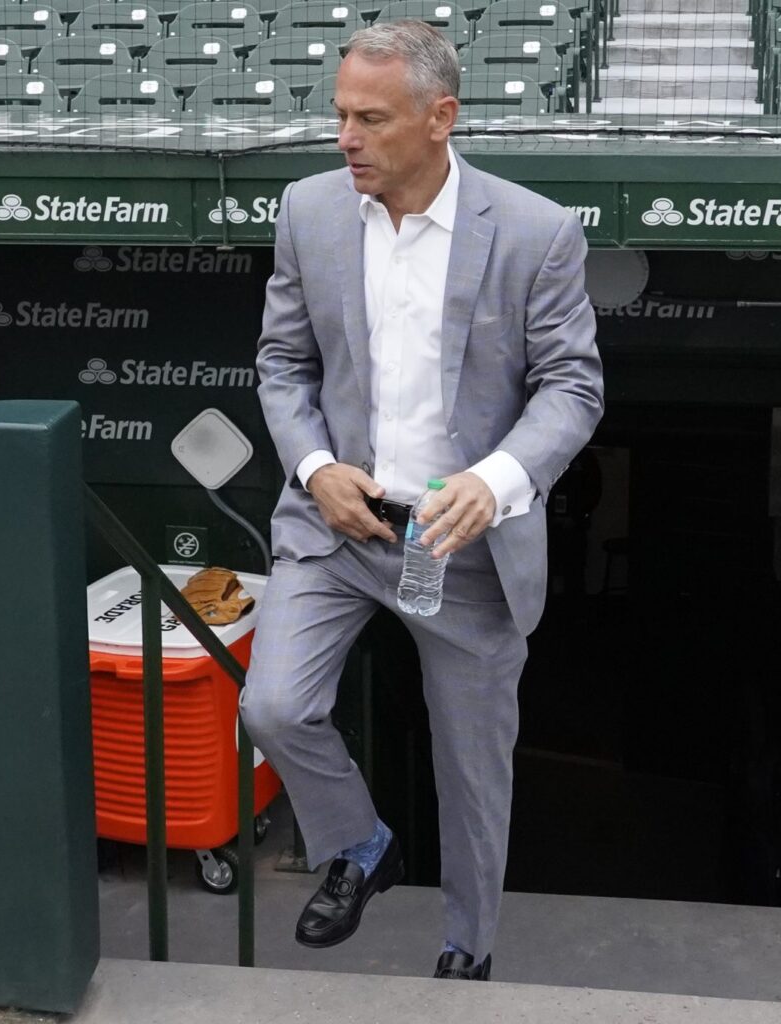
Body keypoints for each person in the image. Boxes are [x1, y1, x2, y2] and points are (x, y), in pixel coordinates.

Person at [243, 18, 605, 982]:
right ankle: (359, 844)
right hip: (339, 525)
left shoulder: (536, 232)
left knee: (472, 774)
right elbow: (283, 364)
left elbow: (572, 387)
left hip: (465, 549)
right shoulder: (308, 211)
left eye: (370, 119)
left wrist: (496, 482)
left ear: (440, 119)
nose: (345, 138)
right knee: (273, 706)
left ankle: (467, 947)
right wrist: (316, 466)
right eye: (339, 116)